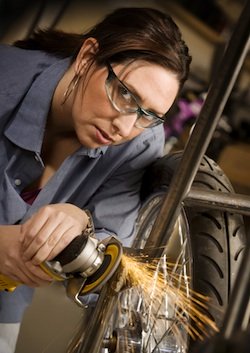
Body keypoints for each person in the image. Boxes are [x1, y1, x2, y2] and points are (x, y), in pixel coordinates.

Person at [0, 6, 191, 352]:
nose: (126, 127)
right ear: (88, 56)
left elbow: (112, 252)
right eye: (126, 95)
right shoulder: (4, 78)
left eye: (150, 115)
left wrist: (82, 221)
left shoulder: (140, 140)